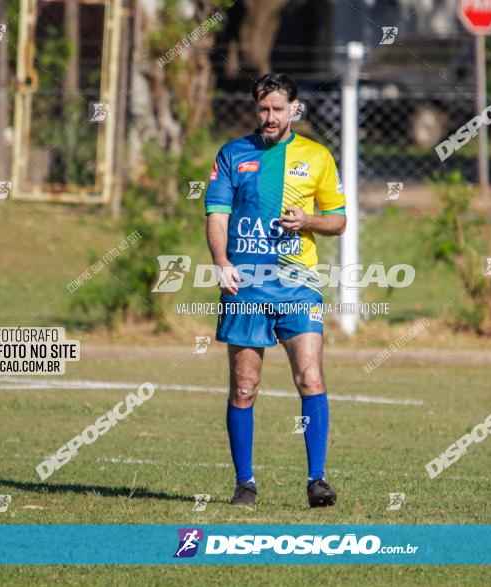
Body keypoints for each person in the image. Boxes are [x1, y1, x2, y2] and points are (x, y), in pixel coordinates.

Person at [204, 73, 347, 508]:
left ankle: (317, 480)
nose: (270, 117)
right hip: (245, 287)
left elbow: (338, 220)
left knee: (311, 376)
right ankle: (245, 483)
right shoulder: (232, 154)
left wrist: (307, 221)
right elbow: (217, 214)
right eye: (263, 109)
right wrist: (222, 263)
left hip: (298, 284)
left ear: (294, 109)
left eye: (278, 109)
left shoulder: (317, 156)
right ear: (256, 109)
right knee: (245, 387)